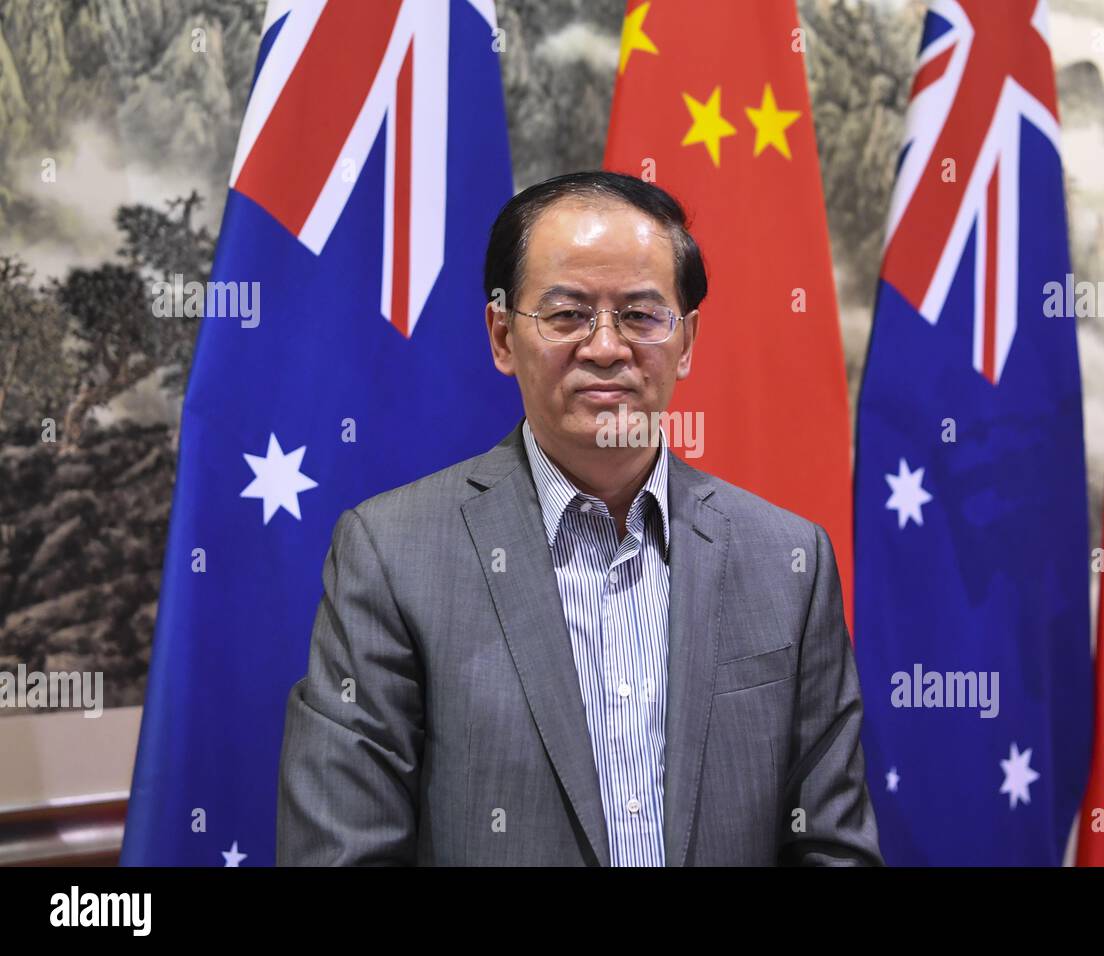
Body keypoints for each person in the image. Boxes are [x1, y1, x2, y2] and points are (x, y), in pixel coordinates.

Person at [276, 171, 883, 866]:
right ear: (503, 336)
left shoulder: (788, 561)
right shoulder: (392, 556)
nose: (605, 347)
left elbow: (833, 849)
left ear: (685, 341)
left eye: (640, 315)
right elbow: (341, 851)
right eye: (567, 315)